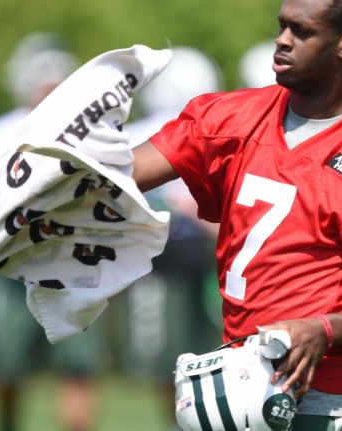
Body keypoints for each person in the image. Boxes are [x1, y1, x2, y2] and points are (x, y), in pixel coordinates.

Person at [130, 0, 342, 429]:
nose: (281, 40)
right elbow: (122, 176)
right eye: (282, 26)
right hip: (240, 387)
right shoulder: (231, 116)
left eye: (301, 31)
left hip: (331, 402)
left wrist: (327, 330)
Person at [0, 33, 108, 431]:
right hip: (15, 267)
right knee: (7, 370)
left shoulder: (93, 133)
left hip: (72, 265)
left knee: (77, 370)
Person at [120, 46, 223, 420]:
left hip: (164, 259)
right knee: (199, 356)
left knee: (172, 362)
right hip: (194, 258)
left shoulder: (138, 135)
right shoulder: (210, 134)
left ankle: (182, 421)